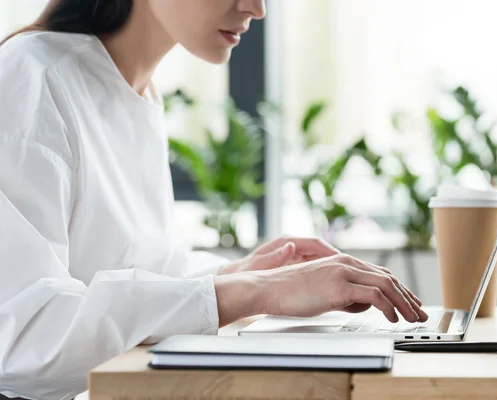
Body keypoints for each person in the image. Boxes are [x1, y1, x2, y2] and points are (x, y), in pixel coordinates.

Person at [0, 1, 428, 399]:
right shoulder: (32, 75)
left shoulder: (136, 91)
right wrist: (252, 292)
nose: (256, 8)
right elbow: (20, 337)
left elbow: (138, 270)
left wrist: (241, 272)